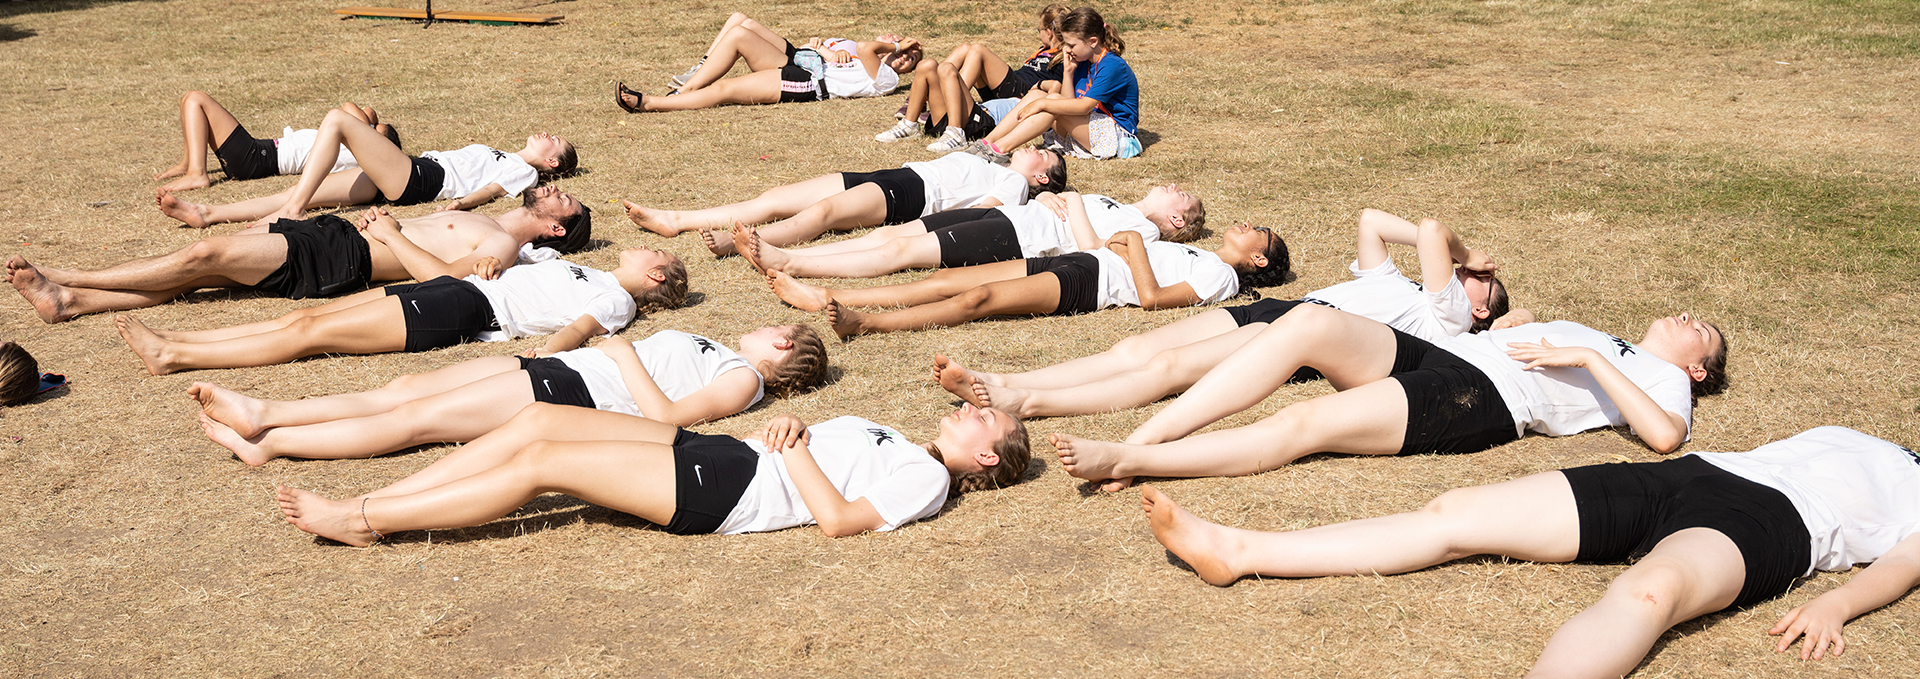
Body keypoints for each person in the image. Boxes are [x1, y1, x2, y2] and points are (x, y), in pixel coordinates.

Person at [1139, 425, 1920, 676]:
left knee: (1651, 596)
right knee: (1457, 513)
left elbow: (1905, 560)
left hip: (1773, 525)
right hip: (1693, 475)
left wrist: (1836, 599)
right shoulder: (1864, 435)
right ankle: (1238, 548)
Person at [1050, 305, 1728, 491]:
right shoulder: (1609, 335)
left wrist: (1581, 358)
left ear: (1697, 369)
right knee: (1307, 323)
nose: (1684, 316)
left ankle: (1127, 458)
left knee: (1306, 419)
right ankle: (1149, 434)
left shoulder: (1664, 380)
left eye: (1700, 329)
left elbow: (1664, 437)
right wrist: (1529, 323)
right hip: (1450, 357)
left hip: (1480, 396)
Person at [934, 209, 1514, 419]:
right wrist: (1467, 261)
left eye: (1487, 287)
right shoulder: (1401, 286)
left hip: (1304, 337)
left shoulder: (1448, 318)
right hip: (1279, 308)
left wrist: (1470, 257)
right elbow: (1370, 220)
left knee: (1166, 371)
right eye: (1477, 274)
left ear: (1481, 313)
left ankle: (1026, 403)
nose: (1476, 279)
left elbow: (1435, 232)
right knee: (1133, 351)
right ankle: (1006, 382)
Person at [275, 402, 1031, 545]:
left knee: (543, 466)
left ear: (987, 457)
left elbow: (837, 520)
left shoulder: (927, 482)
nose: (967, 410)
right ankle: (379, 498)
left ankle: (365, 520)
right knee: (539, 419)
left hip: (730, 492)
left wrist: (795, 442)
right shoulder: (899, 436)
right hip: (719, 451)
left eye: (980, 420)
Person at [190, 324, 829, 465]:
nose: (767, 326)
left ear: (783, 352)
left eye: (780, 331)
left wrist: (622, 352)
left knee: (418, 420)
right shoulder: (723, 355)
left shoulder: (743, 382)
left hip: (573, 390)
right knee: (405, 388)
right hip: (554, 366)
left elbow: (666, 417)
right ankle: (267, 414)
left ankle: (270, 443)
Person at [7, 187, 591, 323]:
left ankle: (66, 276)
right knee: (206, 274)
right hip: (334, 238)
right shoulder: (483, 212)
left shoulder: (502, 244)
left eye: (567, 202)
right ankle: (72, 302)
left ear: (558, 232)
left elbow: (440, 280)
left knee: (206, 253)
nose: (557, 191)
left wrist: (390, 236)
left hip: (343, 261)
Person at [114, 246, 688, 375]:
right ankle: (180, 339)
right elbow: (520, 250)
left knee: (313, 333)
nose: (640, 247)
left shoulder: (615, 296)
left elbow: (580, 328)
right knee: (303, 320)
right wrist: (492, 257)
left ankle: (176, 356)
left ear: (655, 275)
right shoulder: (581, 265)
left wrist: (546, 355)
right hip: (460, 285)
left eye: (652, 253)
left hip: (465, 309)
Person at [764, 222, 1288, 340]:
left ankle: (869, 324)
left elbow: (1151, 299)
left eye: (1256, 234)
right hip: (1081, 260)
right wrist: (1125, 244)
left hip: (1090, 286)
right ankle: (827, 296)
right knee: (951, 276)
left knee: (978, 298)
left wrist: (1130, 241)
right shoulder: (1202, 253)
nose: (1244, 227)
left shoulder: (1221, 276)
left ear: (1258, 261)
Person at [156, 106, 576, 228]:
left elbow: (493, 192)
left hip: (420, 180)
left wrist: (461, 205)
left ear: (552, 161)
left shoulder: (528, 172)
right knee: (303, 187)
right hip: (410, 171)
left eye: (552, 140)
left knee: (339, 120)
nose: (545, 133)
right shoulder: (504, 153)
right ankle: (206, 214)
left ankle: (294, 211)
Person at [621, 149, 1067, 257]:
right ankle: (675, 219)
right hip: (900, 175)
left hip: (915, 195)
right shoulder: (999, 160)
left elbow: (978, 216)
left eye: (1043, 152)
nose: (1034, 147)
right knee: (777, 197)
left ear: (1042, 175)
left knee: (823, 215)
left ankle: (745, 241)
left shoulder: (1017, 185)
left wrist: (921, 225)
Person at [736, 185, 1203, 279]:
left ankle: (791, 263)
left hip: (1018, 241)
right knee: (896, 233)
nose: (1176, 187)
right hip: (1013, 217)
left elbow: (1092, 250)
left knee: (901, 250)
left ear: (1178, 221)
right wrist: (1045, 199)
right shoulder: (1122, 205)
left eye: (1183, 197)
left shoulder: (1145, 230)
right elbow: (1061, 212)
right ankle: (778, 245)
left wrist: (1075, 202)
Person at [614, 13, 921, 113]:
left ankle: (650, 103)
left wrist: (896, 44)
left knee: (726, 89)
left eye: (911, 61)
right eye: (907, 53)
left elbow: (868, 48)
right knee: (737, 33)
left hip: (808, 83)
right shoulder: (867, 59)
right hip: (806, 65)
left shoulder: (888, 79)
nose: (906, 58)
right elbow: (858, 47)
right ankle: (688, 87)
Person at [875, 4, 1071, 151]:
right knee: (932, 64)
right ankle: (910, 124)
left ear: (1049, 31)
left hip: (1023, 93)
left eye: (1039, 31)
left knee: (973, 53)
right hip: (986, 105)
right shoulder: (1043, 50)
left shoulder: (1066, 56)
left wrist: (1045, 85)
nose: (1038, 35)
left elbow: (1061, 93)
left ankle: (954, 107)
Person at [966, 7, 1140, 160]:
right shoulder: (1081, 61)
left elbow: (1084, 107)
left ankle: (1000, 149)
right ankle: (987, 142)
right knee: (1037, 94)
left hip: (1113, 134)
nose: (1066, 50)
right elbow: (1068, 101)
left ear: (1093, 41)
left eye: (1071, 45)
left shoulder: (1112, 65)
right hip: (1087, 126)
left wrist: (1043, 103)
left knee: (1051, 100)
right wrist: (1068, 72)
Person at [156, 92, 400, 192]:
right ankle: (189, 163)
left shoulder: (356, 153)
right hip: (259, 154)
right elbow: (367, 110)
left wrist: (370, 128)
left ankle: (197, 173)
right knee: (188, 99)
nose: (368, 127)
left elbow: (350, 107)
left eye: (374, 130)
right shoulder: (352, 147)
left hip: (256, 159)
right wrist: (374, 125)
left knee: (195, 100)